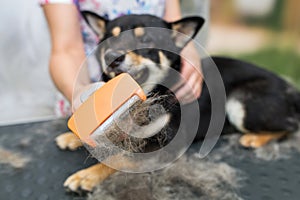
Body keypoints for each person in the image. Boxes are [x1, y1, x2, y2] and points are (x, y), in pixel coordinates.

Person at [41, 0, 203, 116]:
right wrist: (78, 93)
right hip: (90, 91)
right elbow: (66, 50)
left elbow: (172, 21)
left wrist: (188, 53)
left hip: (158, 90)